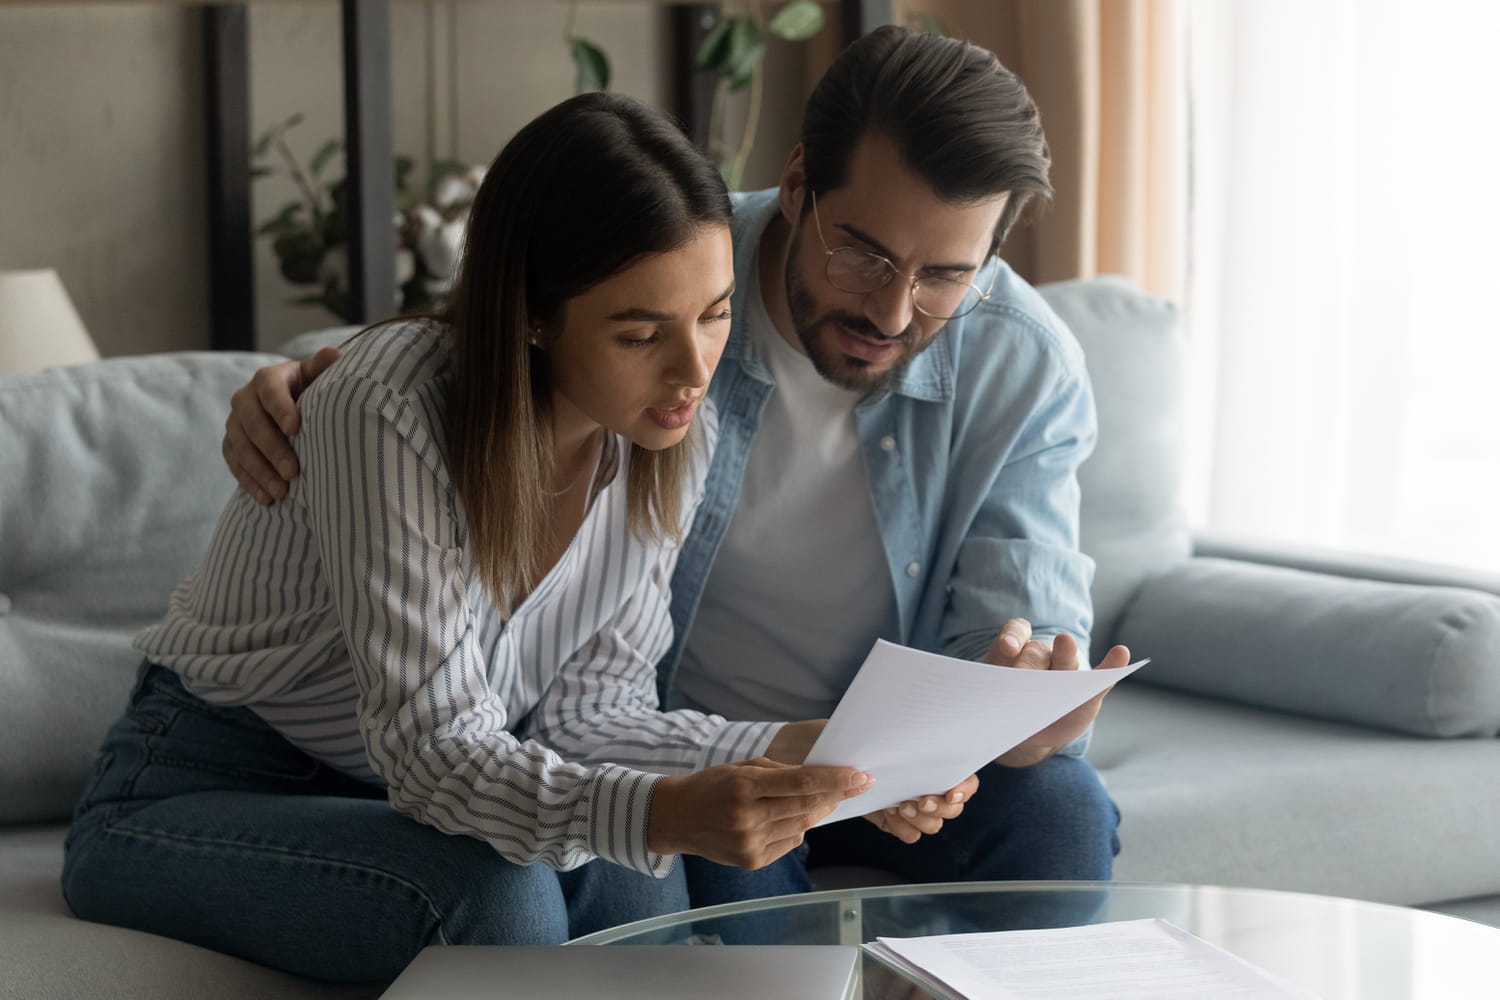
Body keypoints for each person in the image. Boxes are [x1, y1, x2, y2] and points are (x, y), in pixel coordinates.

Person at [220, 27, 1130, 913]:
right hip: (687, 740)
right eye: (864, 254)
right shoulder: (676, 262)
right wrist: (316, 383)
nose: (893, 311)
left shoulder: (1024, 363)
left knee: (1061, 814)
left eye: (945, 275)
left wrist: (1022, 714)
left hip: (865, 752)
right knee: (666, 885)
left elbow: (1011, 632)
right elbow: (495, 331)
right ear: (800, 183)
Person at [60, 92, 891, 984]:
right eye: (640, 331)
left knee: (634, 884)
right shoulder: (387, 407)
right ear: (532, 314)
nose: (694, 369)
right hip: (200, 780)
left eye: (716, 313)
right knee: (501, 903)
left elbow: (591, 719)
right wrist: (660, 813)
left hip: (401, 792)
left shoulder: (671, 437)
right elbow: (434, 751)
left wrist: (799, 753)